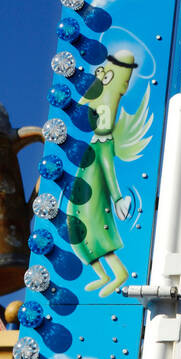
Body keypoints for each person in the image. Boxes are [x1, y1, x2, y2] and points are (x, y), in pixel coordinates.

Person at [67, 51, 152, 298]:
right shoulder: (96, 138)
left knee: (97, 228)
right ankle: (101, 275)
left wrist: (117, 199)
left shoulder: (104, 141)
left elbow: (108, 169)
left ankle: (119, 274)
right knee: (76, 224)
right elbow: (86, 105)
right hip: (84, 186)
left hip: (95, 192)